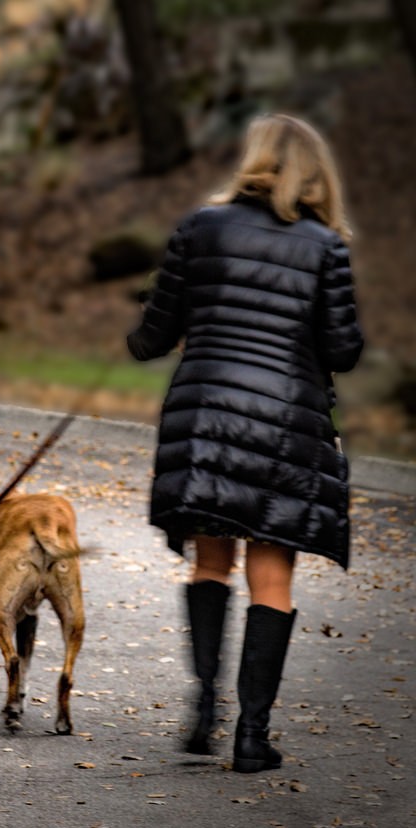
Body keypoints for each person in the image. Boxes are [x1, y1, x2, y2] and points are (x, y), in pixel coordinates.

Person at [127, 113, 363, 773]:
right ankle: (252, 737)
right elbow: (343, 348)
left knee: (210, 563)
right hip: (286, 426)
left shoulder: (201, 227)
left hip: (206, 418)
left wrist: (148, 335)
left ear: (254, 161)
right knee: (271, 575)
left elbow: (154, 331)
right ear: (314, 173)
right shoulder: (325, 245)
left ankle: (204, 707)